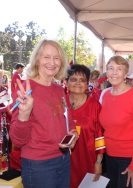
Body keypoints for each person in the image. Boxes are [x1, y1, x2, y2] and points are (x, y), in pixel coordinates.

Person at [9, 39, 78, 188]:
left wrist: (73, 135)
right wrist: (24, 114)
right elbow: (17, 140)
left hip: (63, 159)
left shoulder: (59, 90)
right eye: (46, 57)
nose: (52, 62)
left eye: (56, 57)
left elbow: (68, 119)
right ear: (37, 59)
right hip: (39, 165)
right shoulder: (26, 90)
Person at [99, 55, 133, 188]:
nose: (114, 73)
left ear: (126, 74)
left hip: (129, 157)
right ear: (107, 72)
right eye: (111, 68)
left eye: (119, 69)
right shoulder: (106, 95)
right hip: (110, 156)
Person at [65, 64, 105, 188]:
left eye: (82, 80)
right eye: (73, 79)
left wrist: (99, 161)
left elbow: (100, 136)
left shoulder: (95, 106)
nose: (78, 83)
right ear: (66, 82)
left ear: (87, 83)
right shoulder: (60, 103)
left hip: (87, 161)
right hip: (62, 162)